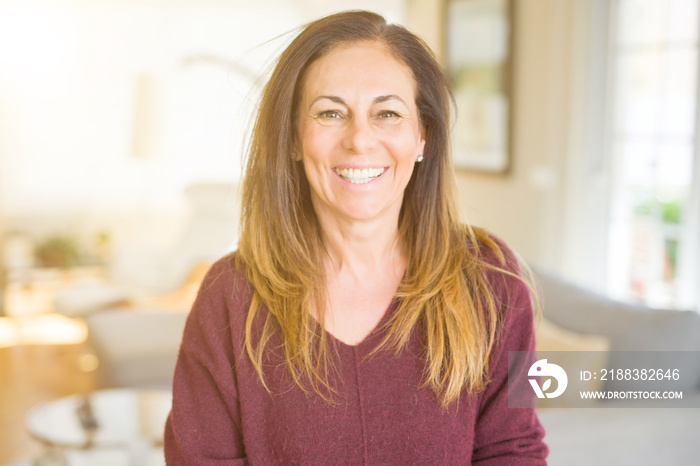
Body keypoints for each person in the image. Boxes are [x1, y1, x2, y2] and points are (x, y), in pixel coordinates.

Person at [164, 10, 548, 465]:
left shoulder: (493, 280)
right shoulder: (228, 296)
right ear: (292, 137)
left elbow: (514, 450)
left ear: (422, 136)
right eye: (330, 113)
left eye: (387, 113)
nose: (360, 139)